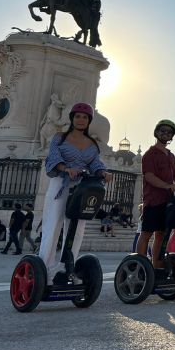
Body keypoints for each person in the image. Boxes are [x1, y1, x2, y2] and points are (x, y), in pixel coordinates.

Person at [42, 102, 112, 283]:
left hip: (81, 187)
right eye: (78, 116)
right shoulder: (60, 138)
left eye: (85, 117)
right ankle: (46, 269)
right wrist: (66, 168)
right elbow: (53, 157)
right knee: (54, 225)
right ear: (72, 118)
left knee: (77, 229)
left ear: (89, 121)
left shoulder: (92, 143)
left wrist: (103, 172)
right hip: (61, 184)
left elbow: (95, 163)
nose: (81, 119)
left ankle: (67, 268)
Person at [138, 120, 175, 269]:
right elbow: (149, 176)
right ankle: (141, 264)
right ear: (156, 132)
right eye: (163, 131)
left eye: (169, 132)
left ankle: (157, 264)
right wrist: (167, 185)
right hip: (153, 200)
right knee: (146, 233)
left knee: (161, 234)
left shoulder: (171, 156)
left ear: (171, 136)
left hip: (168, 201)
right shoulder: (150, 154)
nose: (165, 134)